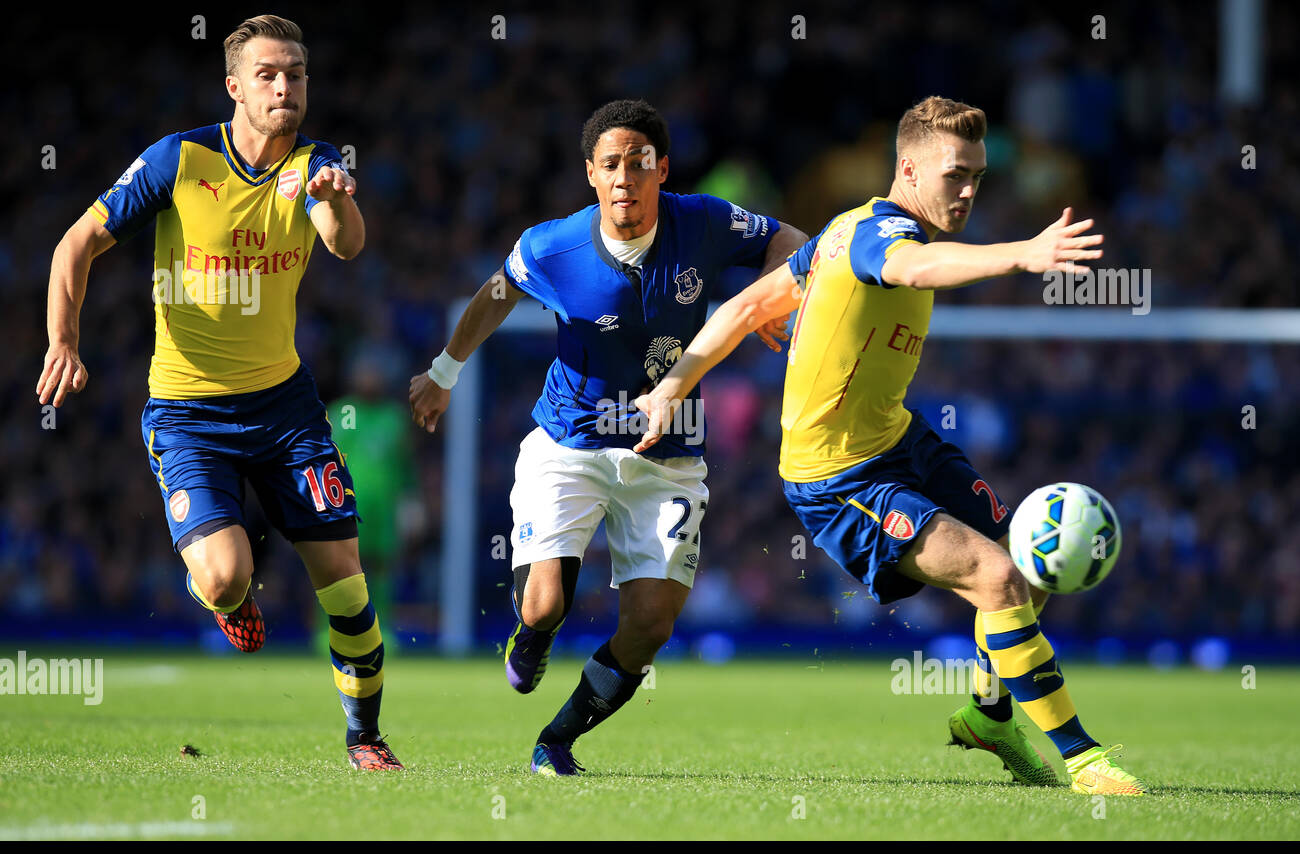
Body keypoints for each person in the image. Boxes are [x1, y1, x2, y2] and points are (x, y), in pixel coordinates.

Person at [635, 96, 1145, 795]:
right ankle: (1085, 760)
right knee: (994, 577)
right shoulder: (879, 236)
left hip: (898, 439)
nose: (967, 190)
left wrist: (674, 382)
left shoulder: (840, 233)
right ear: (908, 168)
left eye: (977, 176)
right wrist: (1023, 255)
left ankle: (990, 715)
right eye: (954, 174)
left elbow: (751, 305)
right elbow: (912, 269)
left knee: (1021, 565)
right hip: (837, 475)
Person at [37, 14, 401, 770]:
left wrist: (334, 195)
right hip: (188, 413)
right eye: (268, 74)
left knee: (345, 586)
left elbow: (347, 243)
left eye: (296, 73)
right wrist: (63, 339)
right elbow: (78, 241)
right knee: (227, 574)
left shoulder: (313, 164)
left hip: (286, 410)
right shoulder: (182, 159)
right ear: (234, 85)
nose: (285, 87)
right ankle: (232, 605)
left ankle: (365, 737)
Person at [409, 99, 806, 776]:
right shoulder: (552, 247)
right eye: (612, 164)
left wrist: (779, 293)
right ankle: (533, 633)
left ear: (662, 170)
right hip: (570, 445)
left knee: (651, 625)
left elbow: (789, 238)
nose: (626, 175)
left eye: (640, 162)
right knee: (545, 602)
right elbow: (498, 293)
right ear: (591, 175)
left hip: (670, 452)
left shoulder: (704, 222)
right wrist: (445, 370)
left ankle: (555, 740)